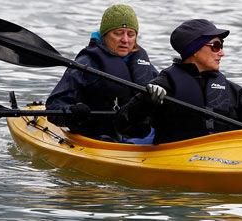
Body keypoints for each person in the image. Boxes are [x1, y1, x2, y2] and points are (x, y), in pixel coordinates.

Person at [116, 19, 242, 144]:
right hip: (176, 157)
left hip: (226, 156)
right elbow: (127, 128)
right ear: (194, 50)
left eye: (222, 46)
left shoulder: (233, 91)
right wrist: (145, 102)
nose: (221, 53)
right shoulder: (164, 86)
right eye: (216, 46)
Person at [46, 4, 158, 142]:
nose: (125, 40)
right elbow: (53, 107)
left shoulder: (141, 63)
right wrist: (72, 112)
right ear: (105, 35)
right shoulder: (86, 63)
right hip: (97, 137)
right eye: (118, 33)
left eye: (131, 34)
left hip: (136, 136)